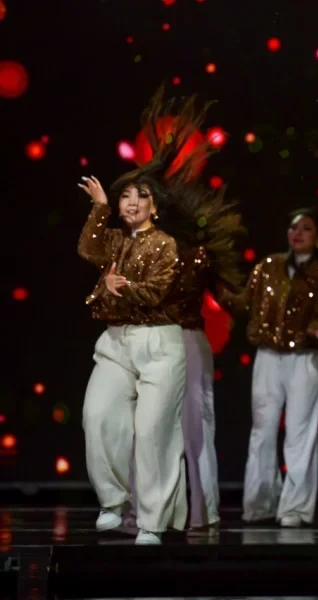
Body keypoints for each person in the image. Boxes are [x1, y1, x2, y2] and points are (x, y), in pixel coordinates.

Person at [77, 171, 187, 545]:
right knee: (97, 415)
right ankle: (112, 501)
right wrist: (99, 208)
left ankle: (152, 522)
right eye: (125, 195)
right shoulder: (113, 239)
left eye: (141, 195)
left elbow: (155, 293)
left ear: (154, 206)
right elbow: (88, 249)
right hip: (116, 340)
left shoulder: (165, 244)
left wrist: (117, 289)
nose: (132, 202)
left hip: (158, 342)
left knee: (153, 433)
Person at [220, 208, 318, 527]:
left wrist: (317, 329)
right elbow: (245, 302)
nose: (297, 233)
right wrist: (218, 287)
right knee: (262, 431)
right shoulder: (269, 265)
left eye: (306, 228)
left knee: (300, 433)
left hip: (304, 359)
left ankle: (295, 509)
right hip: (268, 356)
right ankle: (260, 503)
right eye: (293, 227)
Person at [160, 181, 246, 534]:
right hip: (150, 342)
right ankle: (160, 511)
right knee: (153, 429)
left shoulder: (199, 256)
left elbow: (227, 296)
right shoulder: (143, 251)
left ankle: (202, 511)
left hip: (188, 340)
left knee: (196, 425)